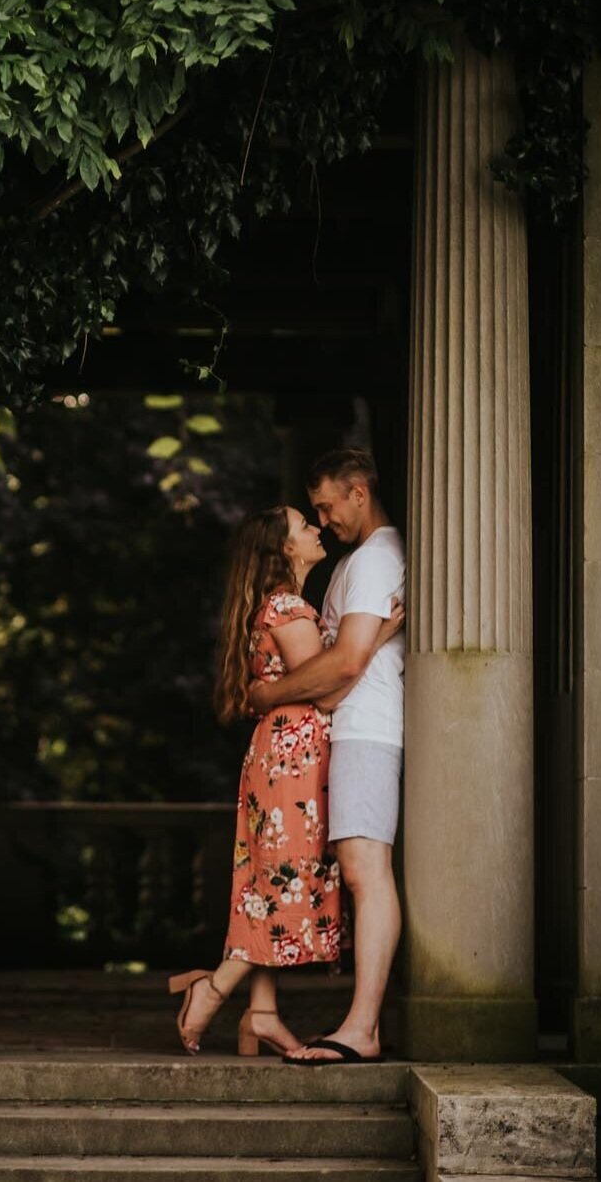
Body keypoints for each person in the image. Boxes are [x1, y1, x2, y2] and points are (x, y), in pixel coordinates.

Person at [168, 503, 404, 1057]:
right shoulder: (291, 609)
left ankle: (264, 1013)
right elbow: (328, 688)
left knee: (266, 880)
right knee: (285, 885)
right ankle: (215, 987)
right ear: (285, 549)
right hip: (295, 761)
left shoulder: (276, 607)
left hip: (277, 756)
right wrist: (387, 629)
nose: (316, 528)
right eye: (303, 525)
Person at [251, 448, 405, 1065]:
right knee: (364, 877)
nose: (322, 519)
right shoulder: (360, 562)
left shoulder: (371, 561)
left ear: (359, 492)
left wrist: (267, 696)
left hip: (366, 730)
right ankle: (358, 1024)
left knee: (369, 877)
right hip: (355, 731)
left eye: (326, 505)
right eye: (311, 511)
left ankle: (362, 1028)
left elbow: (345, 663)